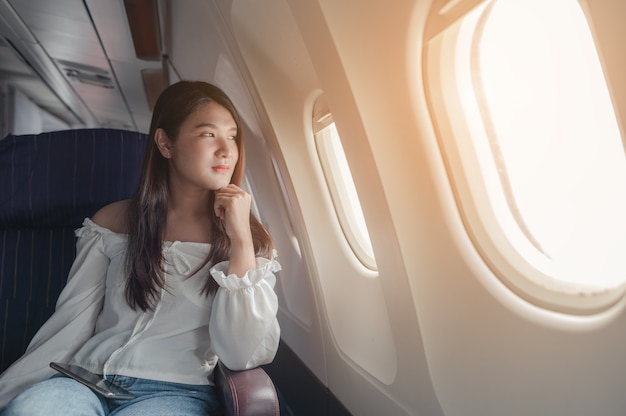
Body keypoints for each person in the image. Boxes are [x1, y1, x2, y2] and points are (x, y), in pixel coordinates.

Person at [0, 81, 281, 415]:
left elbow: (241, 352)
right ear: (165, 143)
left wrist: (240, 239)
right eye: (208, 135)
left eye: (232, 136)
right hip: (83, 380)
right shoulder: (112, 222)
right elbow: (72, 320)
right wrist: (13, 390)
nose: (226, 150)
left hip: (175, 393)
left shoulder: (250, 241)